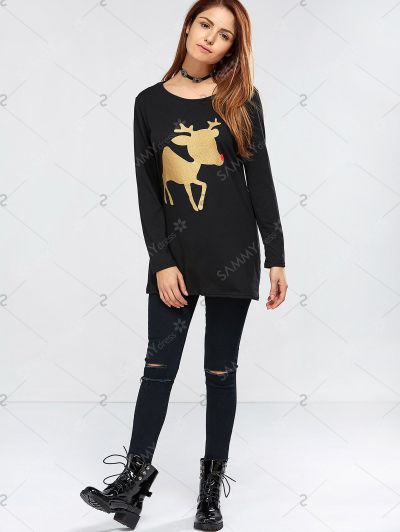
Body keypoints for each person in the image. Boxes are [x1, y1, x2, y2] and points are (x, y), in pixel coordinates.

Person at [80, 1, 288, 530]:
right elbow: (149, 193)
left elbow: (260, 178)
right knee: (158, 369)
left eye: (225, 35)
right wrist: (161, 260)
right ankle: (132, 484)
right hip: (175, 260)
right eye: (205, 25)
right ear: (189, 26)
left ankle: (209, 493)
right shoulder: (148, 103)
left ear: (232, 47)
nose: (211, 38)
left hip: (233, 255)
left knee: (219, 372)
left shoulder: (241, 99)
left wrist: (277, 256)